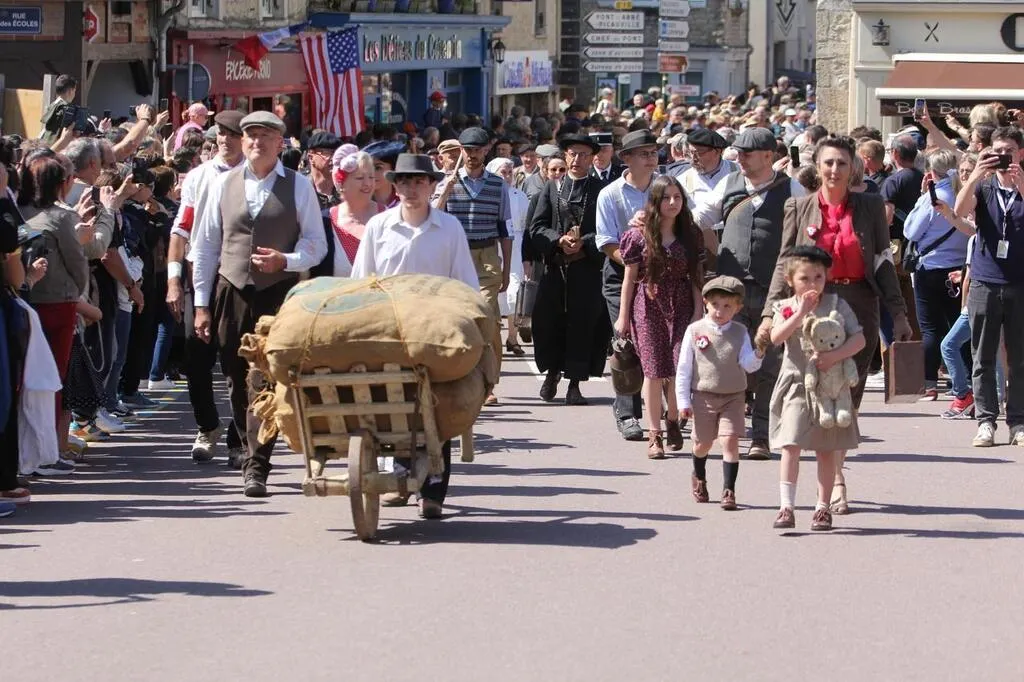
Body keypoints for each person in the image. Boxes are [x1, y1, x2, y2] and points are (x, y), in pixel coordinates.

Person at [764, 135, 912, 514]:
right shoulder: (798, 206)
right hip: (811, 306)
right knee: (806, 390)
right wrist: (769, 315)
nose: (834, 170)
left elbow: (881, 261)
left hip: (858, 303)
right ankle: (820, 484)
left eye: (841, 164)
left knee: (846, 391)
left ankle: (837, 476)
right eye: (828, 163)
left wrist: (898, 314)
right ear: (817, 167)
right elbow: (785, 265)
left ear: (853, 169)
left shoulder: (870, 206)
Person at [191, 111, 328, 497]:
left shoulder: (299, 187)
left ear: (280, 142)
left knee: (265, 376)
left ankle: (258, 464)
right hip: (232, 288)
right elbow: (204, 247)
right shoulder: (220, 185)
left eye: (265, 135)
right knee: (235, 376)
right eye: (250, 135)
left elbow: (316, 245)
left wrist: (286, 260)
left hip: (278, 290)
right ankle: (246, 441)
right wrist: (201, 304)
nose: (256, 142)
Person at [350, 153, 479, 520]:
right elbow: (362, 281)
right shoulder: (379, 226)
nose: (411, 189)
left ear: (432, 185)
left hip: (436, 332)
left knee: (440, 406)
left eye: (419, 182)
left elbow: (464, 284)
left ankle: (434, 489)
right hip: (390, 329)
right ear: (394, 186)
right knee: (395, 403)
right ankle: (401, 476)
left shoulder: (449, 228)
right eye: (404, 182)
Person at [692, 127, 807, 460]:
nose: (739, 158)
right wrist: (665, 214)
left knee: (770, 363)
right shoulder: (728, 185)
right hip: (731, 291)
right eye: (738, 152)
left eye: (747, 153)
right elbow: (702, 217)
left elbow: (804, 235)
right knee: (728, 361)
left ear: (769, 156)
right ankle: (730, 429)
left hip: (775, 289)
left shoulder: (792, 187)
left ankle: (761, 436)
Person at [165, 109, 246, 465]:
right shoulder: (199, 177)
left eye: (233, 133)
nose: (226, 140)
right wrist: (171, 280)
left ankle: (238, 438)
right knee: (196, 361)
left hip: (239, 278)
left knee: (238, 361)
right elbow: (181, 230)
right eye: (221, 133)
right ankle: (207, 426)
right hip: (200, 275)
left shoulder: (255, 176)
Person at [768, 246, 866, 532]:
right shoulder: (784, 307)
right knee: (791, 443)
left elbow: (858, 340)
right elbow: (776, 337)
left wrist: (835, 356)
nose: (812, 284)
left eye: (818, 277)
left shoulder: (837, 305)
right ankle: (787, 506)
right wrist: (799, 312)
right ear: (790, 280)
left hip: (829, 388)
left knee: (826, 449)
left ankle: (822, 508)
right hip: (797, 383)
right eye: (805, 278)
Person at [614, 175, 704, 458]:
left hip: (682, 305)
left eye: (677, 197)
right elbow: (629, 280)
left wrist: (699, 311)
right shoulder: (637, 235)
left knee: (679, 367)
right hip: (647, 306)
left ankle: (673, 419)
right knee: (653, 372)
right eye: (666, 197)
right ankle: (655, 434)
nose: (673, 202)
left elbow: (696, 277)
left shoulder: (690, 233)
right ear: (655, 201)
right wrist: (623, 317)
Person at [953, 126, 1024, 447]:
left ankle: (1019, 422)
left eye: (1008, 150)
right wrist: (975, 175)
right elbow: (959, 211)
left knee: (1019, 357)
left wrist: (1021, 184)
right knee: (982, 356)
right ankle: (986, 421)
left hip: (1019, 282)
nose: (1002, 157)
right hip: (984, 279)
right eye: (996, 151)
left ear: (1020, 153)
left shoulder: (1021, 185)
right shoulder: (983, 188)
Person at [431, 127, 512, 407]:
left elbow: (506, 229)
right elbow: (435, 218)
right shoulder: (448, 182)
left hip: (487, 255)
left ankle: (489, 383)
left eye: (477, 150)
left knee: (487, 318)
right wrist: (446, 189)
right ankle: (457, 377)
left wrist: (505, 270)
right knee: (457, 320)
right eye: (468, 150)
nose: (472, 155)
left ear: (486, 151)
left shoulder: (497, 185)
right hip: (456, 256)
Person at [528, 135, 611, 405]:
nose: (577, 160)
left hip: (587, 269)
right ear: (565, 156)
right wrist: (558, 240)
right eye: (573, 154)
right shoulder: (551, 189)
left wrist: (584, 244)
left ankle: (575, 383)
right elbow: (536, 226)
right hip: (556, 269)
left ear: (592, 158)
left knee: (583, 325)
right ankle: (552, 372)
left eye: (584, 155)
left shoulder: (601, 190)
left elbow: (607, 228)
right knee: (549, 322)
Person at [20, 154, 90, 463]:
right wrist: (75, 291)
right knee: (52, 379)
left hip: (26, 298)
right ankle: (47, 451)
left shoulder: (18, 211)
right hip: (57, 303)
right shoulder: (62, 217)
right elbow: (78, 262)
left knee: (28, 379)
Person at [676, 275, 764, 509]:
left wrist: (758, 354)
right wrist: (683, 400)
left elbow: (747, 363)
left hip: (734, 396)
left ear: (738, 308)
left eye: (727, 306)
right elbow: (684, 368)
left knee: (730, 441)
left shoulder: (740, 331)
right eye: (715, 304)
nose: (720, 310)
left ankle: (729, 490)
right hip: (703, 396)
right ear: (706, 302)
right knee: (703, 444)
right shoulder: (695, 330)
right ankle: (699, 475)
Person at [596, 129, 661, 442]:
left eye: (653, 153)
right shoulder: (610, 194)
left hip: (659, 274)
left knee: (654, 340)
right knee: (625, 340)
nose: (651, 159)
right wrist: (634, 262)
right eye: (644, 154)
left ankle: (657, 410)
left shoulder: (665, 189)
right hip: (620, 272)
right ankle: (626, 411)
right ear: (627, 159)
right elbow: (606, 242)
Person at [903, 150, 971, 400]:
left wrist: (921, 198)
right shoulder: (964, 195)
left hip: (931, 269)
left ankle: (930, 382)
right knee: (958, 327)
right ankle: (962, 379)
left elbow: (911, 231)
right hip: (958, 269)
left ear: (931, 172)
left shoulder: (934, 197)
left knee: (931, 328)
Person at [312, 144, 381, 278]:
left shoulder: (388, 217)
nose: (368, 184)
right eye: (360, 178)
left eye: (371, 177)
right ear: (341, 183)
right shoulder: (325, 221)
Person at [880, 134, 924, 340]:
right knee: (915, 304)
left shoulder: (893, 181)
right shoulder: (923, 177)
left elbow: (887, 218)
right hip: (920, 248)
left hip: (896, 250)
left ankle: (898, 352)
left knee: (895, 303)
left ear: (895, 154)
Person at [487, 157, 530, 356]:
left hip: (516, 246)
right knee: (492, 294)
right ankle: (492, 339)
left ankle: (512, 338)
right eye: (502, 172)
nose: (507, 176)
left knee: (514, 292)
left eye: (509, 172)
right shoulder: (488, 194)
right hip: (492, 247)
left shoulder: (520, 196)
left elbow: (527, 226)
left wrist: (527, 258)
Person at [305, 131, 343, 211]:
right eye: (328, 153)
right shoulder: (302, 188)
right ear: (311, 157)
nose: (334, 158)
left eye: (337, 154)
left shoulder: (345, 189)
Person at [364, 140, 406, 209]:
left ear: (393, 169)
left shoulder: (405, 200)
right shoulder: (359, 202)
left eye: (378, 168)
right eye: (368, 167)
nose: (371, 173)